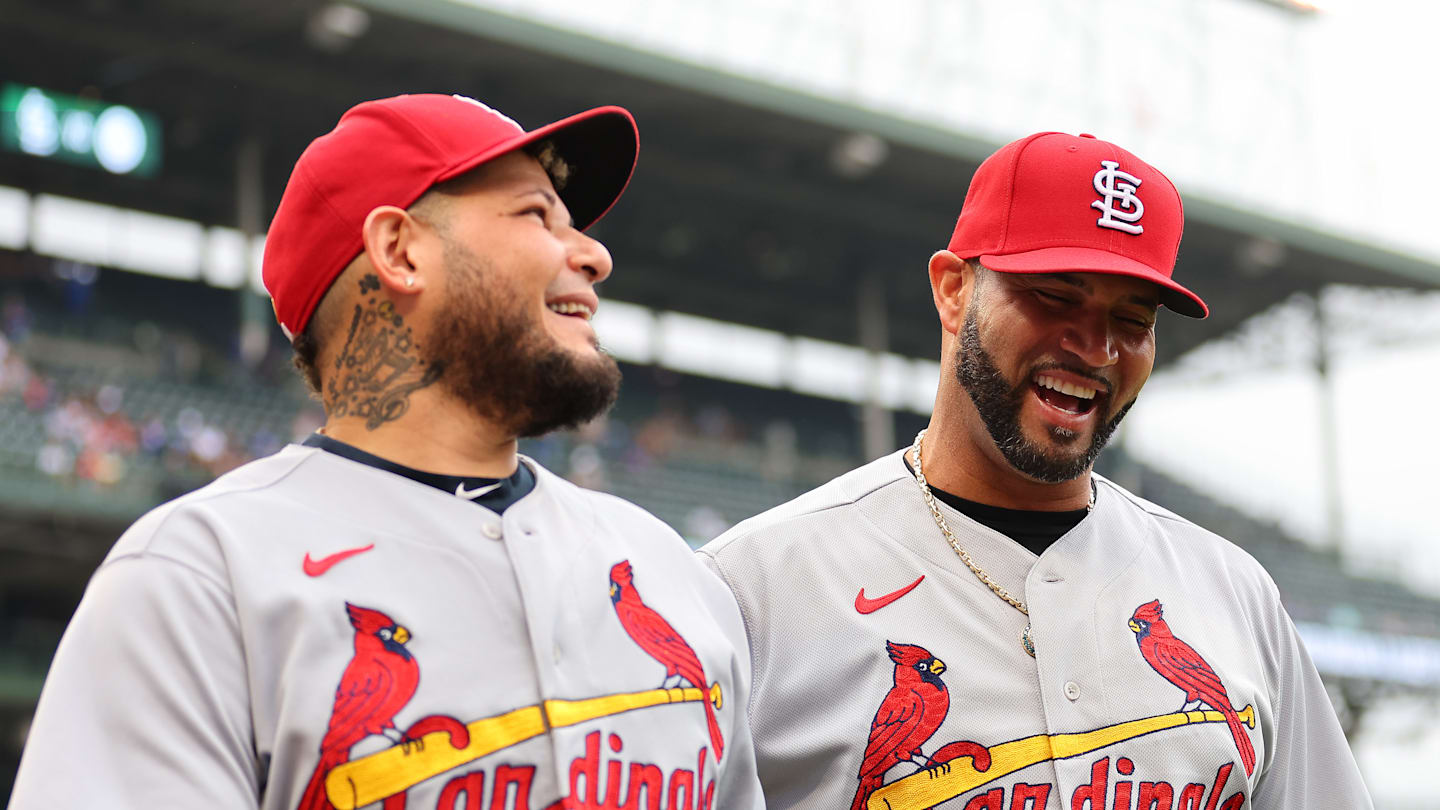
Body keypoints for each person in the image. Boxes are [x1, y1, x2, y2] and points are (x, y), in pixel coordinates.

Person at [11, 93, 763, 810]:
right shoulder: (202, 575)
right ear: (400, 252)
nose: (593, 255)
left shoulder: (668, 571)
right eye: (539, 214)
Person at [699, 132, 1371, 810]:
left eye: (1132, 319)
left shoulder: (1235, 594)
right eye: (1053, 296)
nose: (1096, 347)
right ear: (954, 290)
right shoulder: (755, 587)